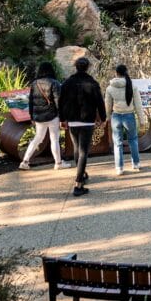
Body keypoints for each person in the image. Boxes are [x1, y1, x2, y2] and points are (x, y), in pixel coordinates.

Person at [58, 57, 106, 197]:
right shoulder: (92, 83)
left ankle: (82, 173)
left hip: (72, 120)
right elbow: (100, 102)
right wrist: (103, 118)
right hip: (87, 120)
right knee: (84, 150)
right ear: (88, 67)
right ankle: (78, 184)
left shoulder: (67, 83)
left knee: (77, 148)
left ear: (75, 66)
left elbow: (61, 102)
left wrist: (62, 119)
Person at [19, 62, 71, 170]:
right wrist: (63, 118)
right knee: (54, 139)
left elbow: (31, 102)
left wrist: (32, 117)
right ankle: (58, 163)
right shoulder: (55, 83)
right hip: (52, 115)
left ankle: (25, 161)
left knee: (37, 138)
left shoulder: (34, 84)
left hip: (39, 117)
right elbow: (59, 102)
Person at [106, 64, 142, 175]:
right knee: (133, 140)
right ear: (126, 72)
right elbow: (138, 104)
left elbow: (107, 105)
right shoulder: (132, 86)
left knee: (117, 143)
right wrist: (142, 120)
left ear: (116, 73)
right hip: (129, 116)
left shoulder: (110, 88)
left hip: (116, 117)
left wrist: (107, 117)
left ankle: (119, 168)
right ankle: (135, 163)